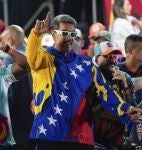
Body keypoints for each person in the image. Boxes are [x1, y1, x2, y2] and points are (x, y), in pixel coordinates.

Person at [26, 12, 142, 150]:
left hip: (81, 137)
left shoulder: (86, 64)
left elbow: (106, 92)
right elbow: (31, 57)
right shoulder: (44, 59)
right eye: (64, 33)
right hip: (49, 134)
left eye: (73, 34)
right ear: (53, 33)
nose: (69, 38)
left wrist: (126, 108)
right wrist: (36, 35)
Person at [0, 25, 34, 150]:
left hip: (12, 131)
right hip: (30, 125)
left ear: (9, 41)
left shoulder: (3, 65)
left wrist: (6, 49)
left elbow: (9, 98)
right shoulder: (34, 55)